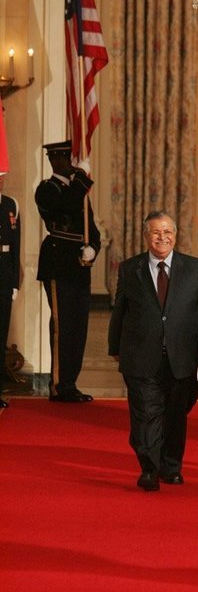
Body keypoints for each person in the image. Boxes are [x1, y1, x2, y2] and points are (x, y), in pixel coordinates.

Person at [108, 211, 198, 492]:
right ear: (146, 236)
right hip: (141, 355)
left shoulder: (195, 268)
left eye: (168, 232)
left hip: (184, 357)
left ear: (176, 235)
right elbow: (119, 310)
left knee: (175, 415)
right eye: (156, 232)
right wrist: (115, 347)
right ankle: (149, 468)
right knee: (145, 413)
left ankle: (171, 467)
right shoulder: (129, 269)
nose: (162, 237)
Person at [35, 141, 100, 402]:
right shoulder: (46, 189)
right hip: (58, 262)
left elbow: (91, 227)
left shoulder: (78, 189)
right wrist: (82, 178)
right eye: (70, 158)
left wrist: (94, 248)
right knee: (63, 327)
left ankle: (70, 383)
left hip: (79, 266)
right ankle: (59, 384)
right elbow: (67, 207)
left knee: (78, 327)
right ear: (56, 160)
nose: (74, 162)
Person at [0, 172, 20, 408]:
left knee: (1, 332)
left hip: (4, 274)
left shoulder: (11, 205)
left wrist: (14, 281)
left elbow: (15, 246)